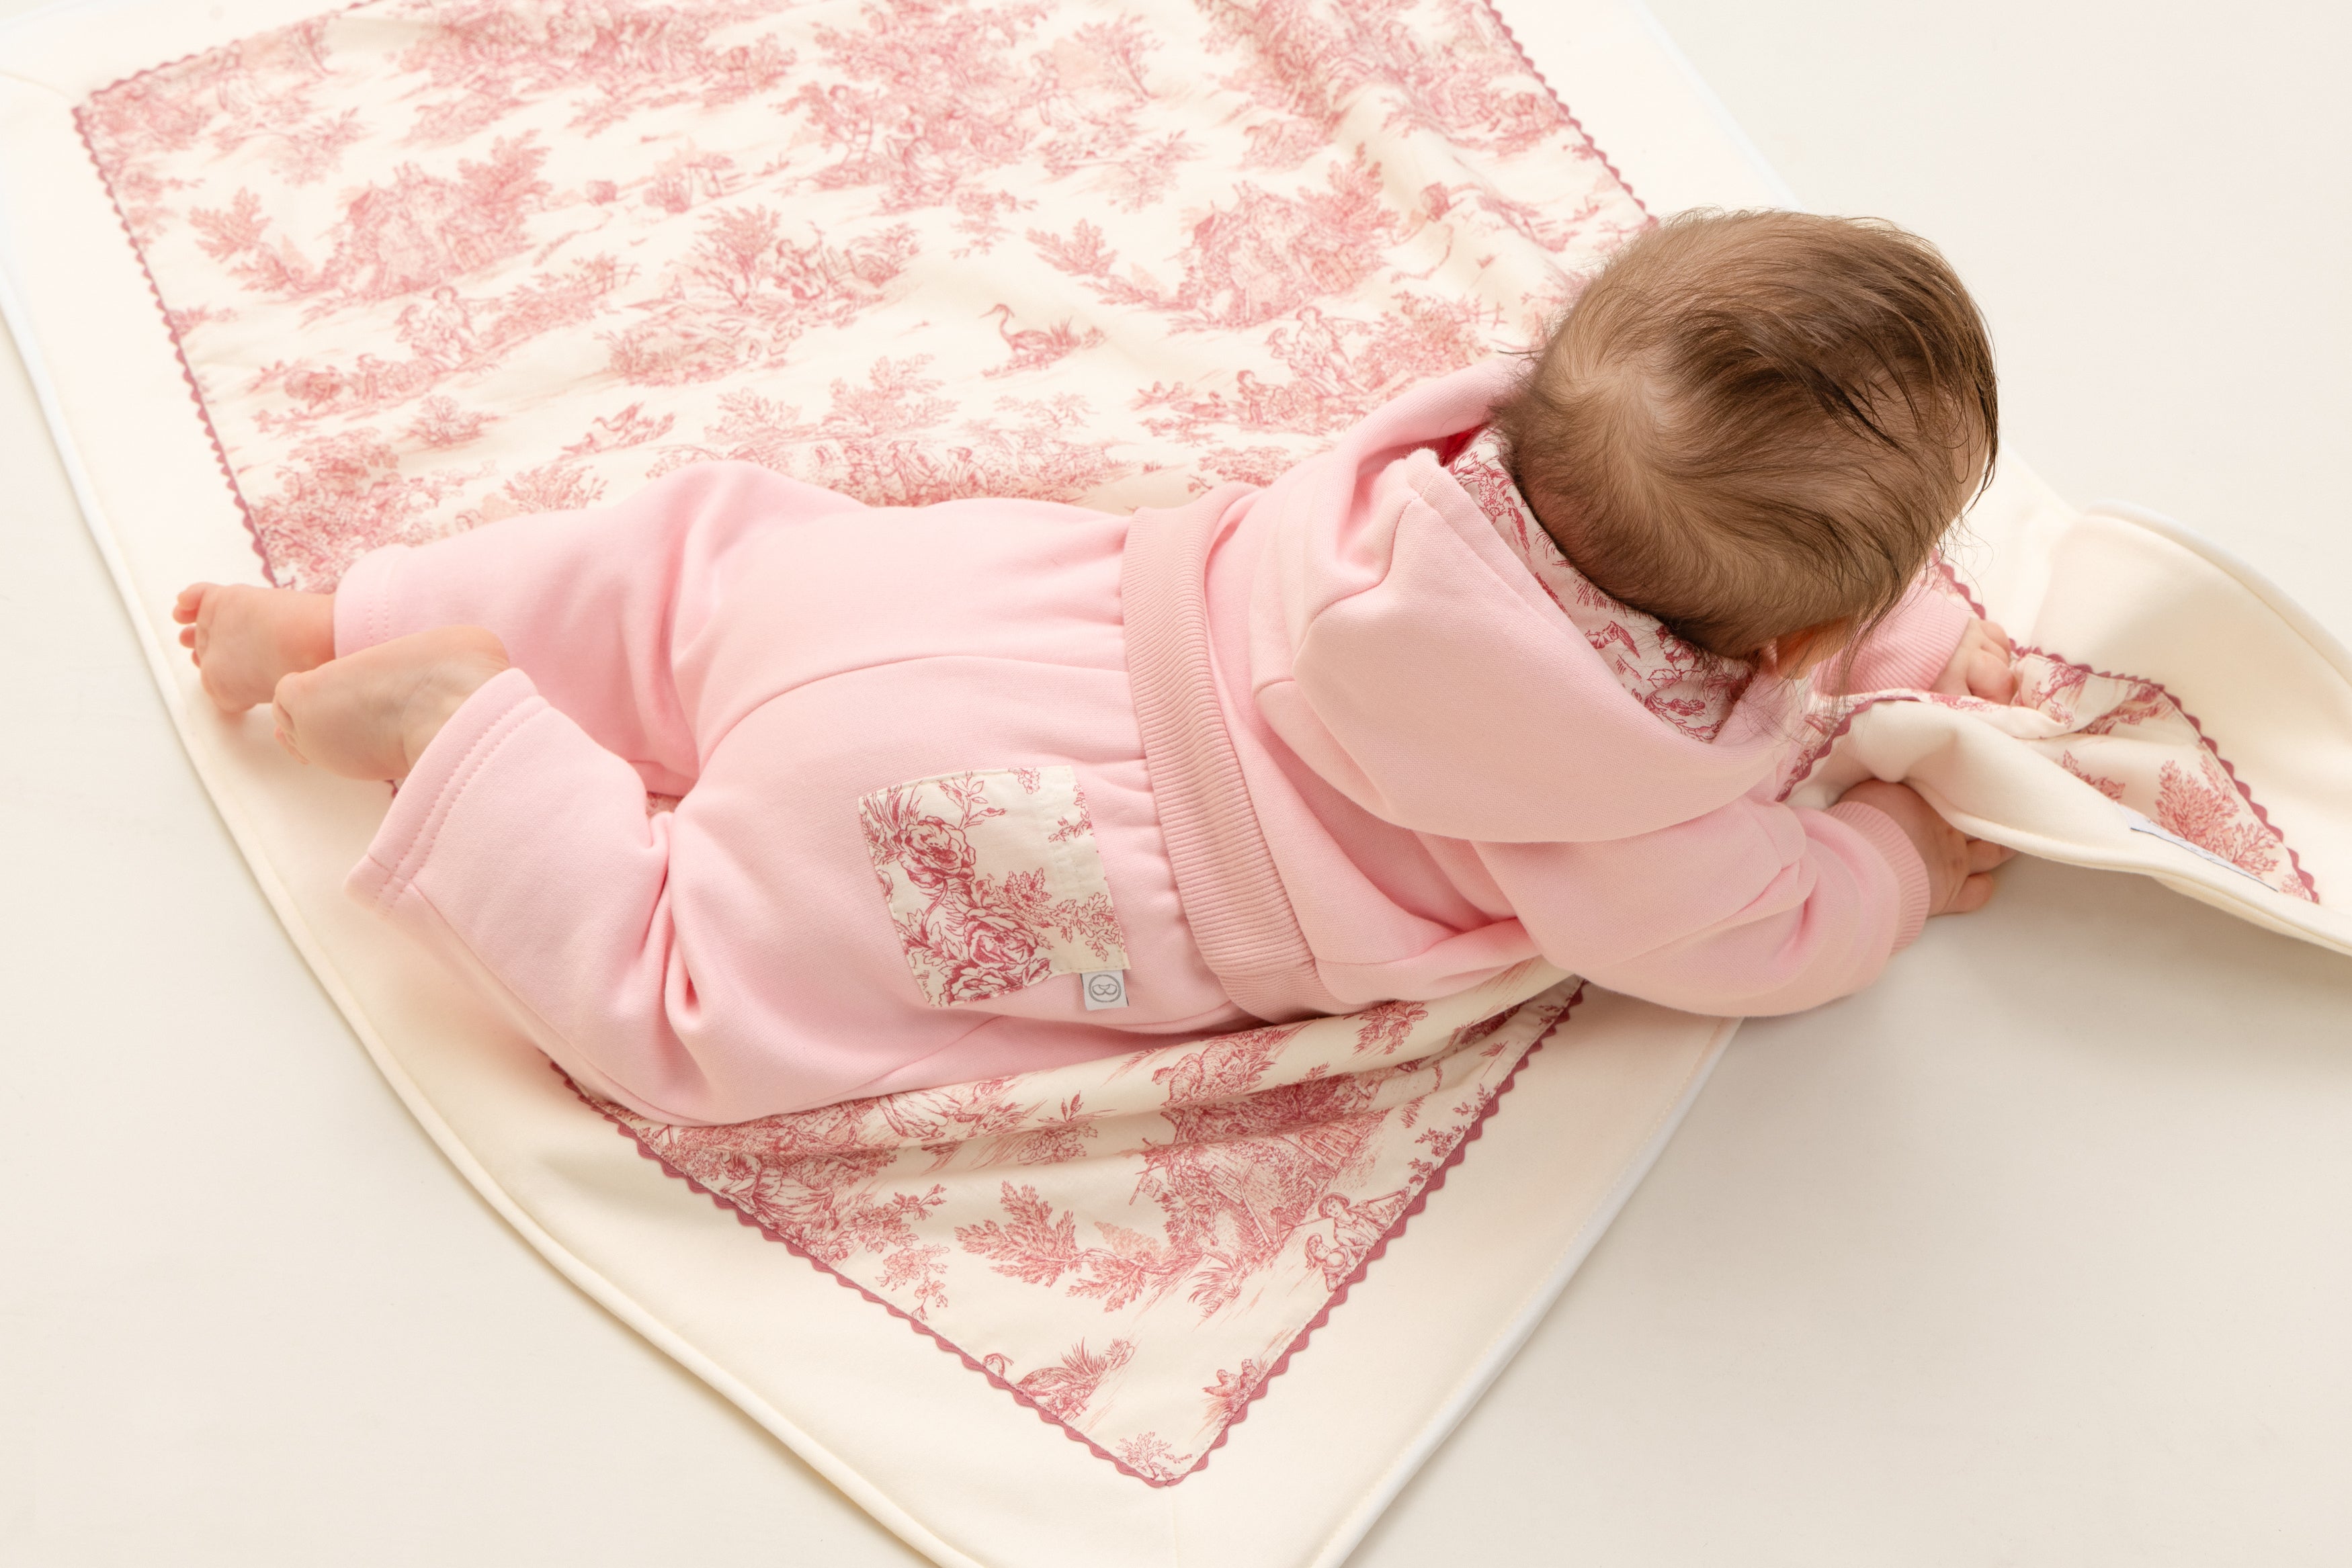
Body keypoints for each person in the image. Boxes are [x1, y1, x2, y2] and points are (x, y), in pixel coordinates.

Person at [173, 210, 2020, 1126]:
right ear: (1797, 641)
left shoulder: (1432, 471)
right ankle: (462, 741)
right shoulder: (1629, 816)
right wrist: (1897, 862)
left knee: (685, 577)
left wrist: (1912, 634)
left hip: (975, 600)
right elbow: (1774, 936)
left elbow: (1711, 553)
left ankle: (344, 617)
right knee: (681, 1001)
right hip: (1017, 832)